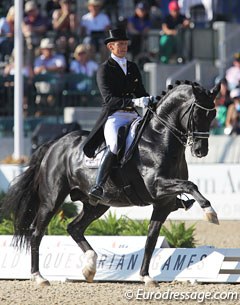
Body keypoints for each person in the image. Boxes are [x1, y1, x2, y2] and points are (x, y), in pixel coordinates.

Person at [83, 28, 155, 203]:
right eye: (120, 44)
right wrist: (134, 102)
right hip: (114, 116)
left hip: (133, 116)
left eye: (125, 44)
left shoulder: (132, 67)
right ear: (110, 47)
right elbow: (109, 100)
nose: (123, 47)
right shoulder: (104, 69)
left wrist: (149, 100)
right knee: (114, 145)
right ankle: (98, 186)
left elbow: (140, 92)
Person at [52, 0, 78, 67]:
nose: (67, 5)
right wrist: (64, 15)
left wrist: (72, 20)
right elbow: (56, 27)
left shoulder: (73, 14)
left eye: (69, 3)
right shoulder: (57, 13)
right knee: (62, 41)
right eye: (65, 3)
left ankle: (72, 60)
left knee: (72, 41)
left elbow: (74, 30)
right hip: (60, 34)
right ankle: (62, 61)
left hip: (70, 34)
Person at [22, 1, 48, 67]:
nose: (30, 12)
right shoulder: (25, 19)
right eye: (29, 11)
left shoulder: (41, 18)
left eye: (32, 10)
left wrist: (33, 28)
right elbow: (24, 29)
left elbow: (43, 28)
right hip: (28, 43)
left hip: (39, 40)